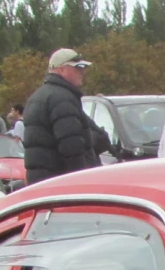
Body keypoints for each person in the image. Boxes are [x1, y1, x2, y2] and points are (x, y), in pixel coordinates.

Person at [20, 47, 103, 182]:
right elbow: (71, 147)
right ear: (62, 69)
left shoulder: (37, 96)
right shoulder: (63, 99)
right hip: (60, 182)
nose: (82, 71)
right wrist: (81, 181)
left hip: (41, 182)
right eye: (78, 67)